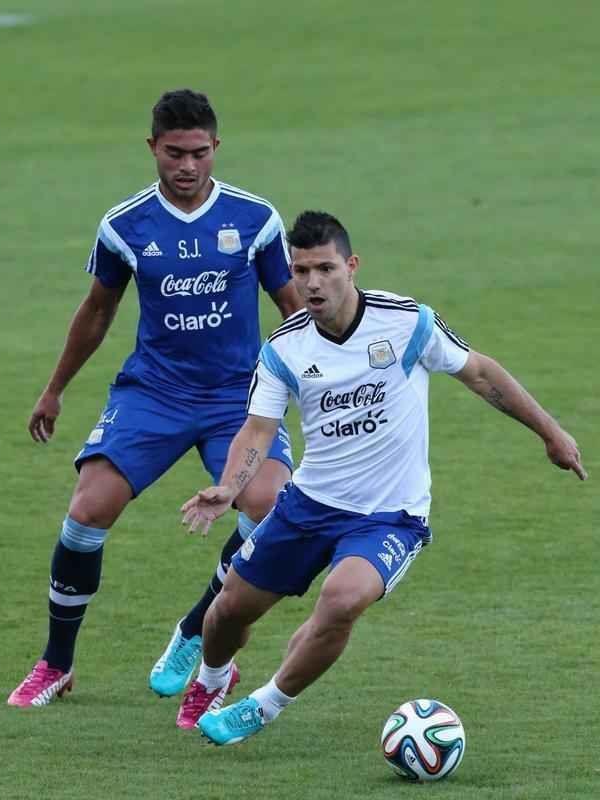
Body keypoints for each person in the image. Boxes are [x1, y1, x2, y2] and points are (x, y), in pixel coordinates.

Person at [174, 210, 587, 742]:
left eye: (325, 269)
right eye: (300, 272)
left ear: (352, 266)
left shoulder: (406, 322)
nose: (312, 283)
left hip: (391, 515)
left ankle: (263, 706)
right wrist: (229, 488)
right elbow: (257, 430)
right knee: (229, 611)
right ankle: (212, 676)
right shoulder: (284, 348)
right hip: (309, 504)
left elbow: (479, 371)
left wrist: (550, 432)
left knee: (343, 600)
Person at [7, 89, 303, 725]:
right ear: (152, 150)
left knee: (268, 506)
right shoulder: (126, 224)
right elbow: (97, 311)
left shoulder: (256, 219)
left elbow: (292, 308)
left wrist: (319, 379)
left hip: (238, 398)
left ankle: (199, 630)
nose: (188, 166)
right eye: (175, 154)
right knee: (88, 510)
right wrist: (54, 387)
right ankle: (56, 664)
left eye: (199, 153)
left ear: (216, 148)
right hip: (154, 393)